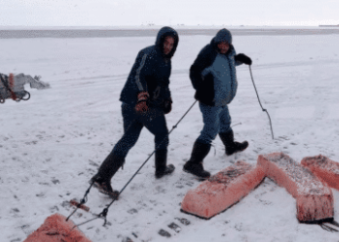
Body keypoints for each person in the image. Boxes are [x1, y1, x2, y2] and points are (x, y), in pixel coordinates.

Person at [90, 27, 179, 198]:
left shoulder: (166, 60)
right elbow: (138, 75)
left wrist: (167, 99)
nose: (168, 46)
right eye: (166, 42)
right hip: (140, 104)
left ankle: (102, 177)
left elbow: (164, 83)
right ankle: (160, 169)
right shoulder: (149, 53)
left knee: (129, 139)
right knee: (162, 134)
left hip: (133, 103)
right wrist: (142, 96)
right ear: (159, 40)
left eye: (171, 44)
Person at [183, 28, 253, 178]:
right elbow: (194, 70)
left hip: (221, 100)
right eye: (220, 43)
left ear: (229, 44)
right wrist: (201, 88)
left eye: (226, 44)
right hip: (210, 101)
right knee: (210, 130)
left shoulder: (229, 54)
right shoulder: (209, 53)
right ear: (216, 42)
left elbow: (227, 64)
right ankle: (194, 162)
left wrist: (239, 60)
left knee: (225, 122)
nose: (223, 46)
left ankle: (230, 146)